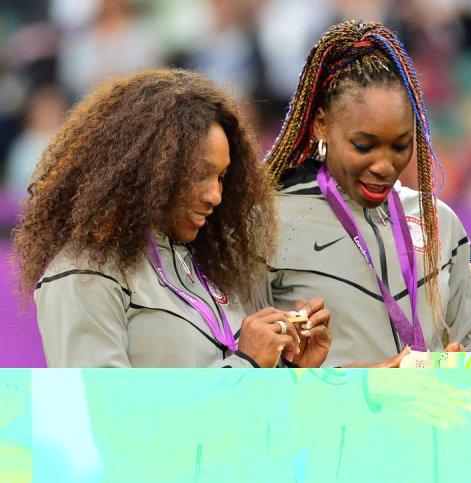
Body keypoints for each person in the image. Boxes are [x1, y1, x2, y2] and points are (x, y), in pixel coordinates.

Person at [12, 68, 331, 368]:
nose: (215, 196)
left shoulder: (208, 264)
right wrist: (246, 365)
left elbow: (232, 411)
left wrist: (288, 368)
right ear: (148, 167)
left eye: (221, 177)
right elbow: (106, 419)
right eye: (199, 174)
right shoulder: (82, 273)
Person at [265, 20, 471, 368]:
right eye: (364, 146)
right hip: (329, 424)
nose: (385, 165)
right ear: (321, 124)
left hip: (426, 422)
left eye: (400, 145)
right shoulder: (270, 222)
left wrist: (463, 370)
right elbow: (245, 369)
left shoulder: (438, 220)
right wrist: (366, 383)